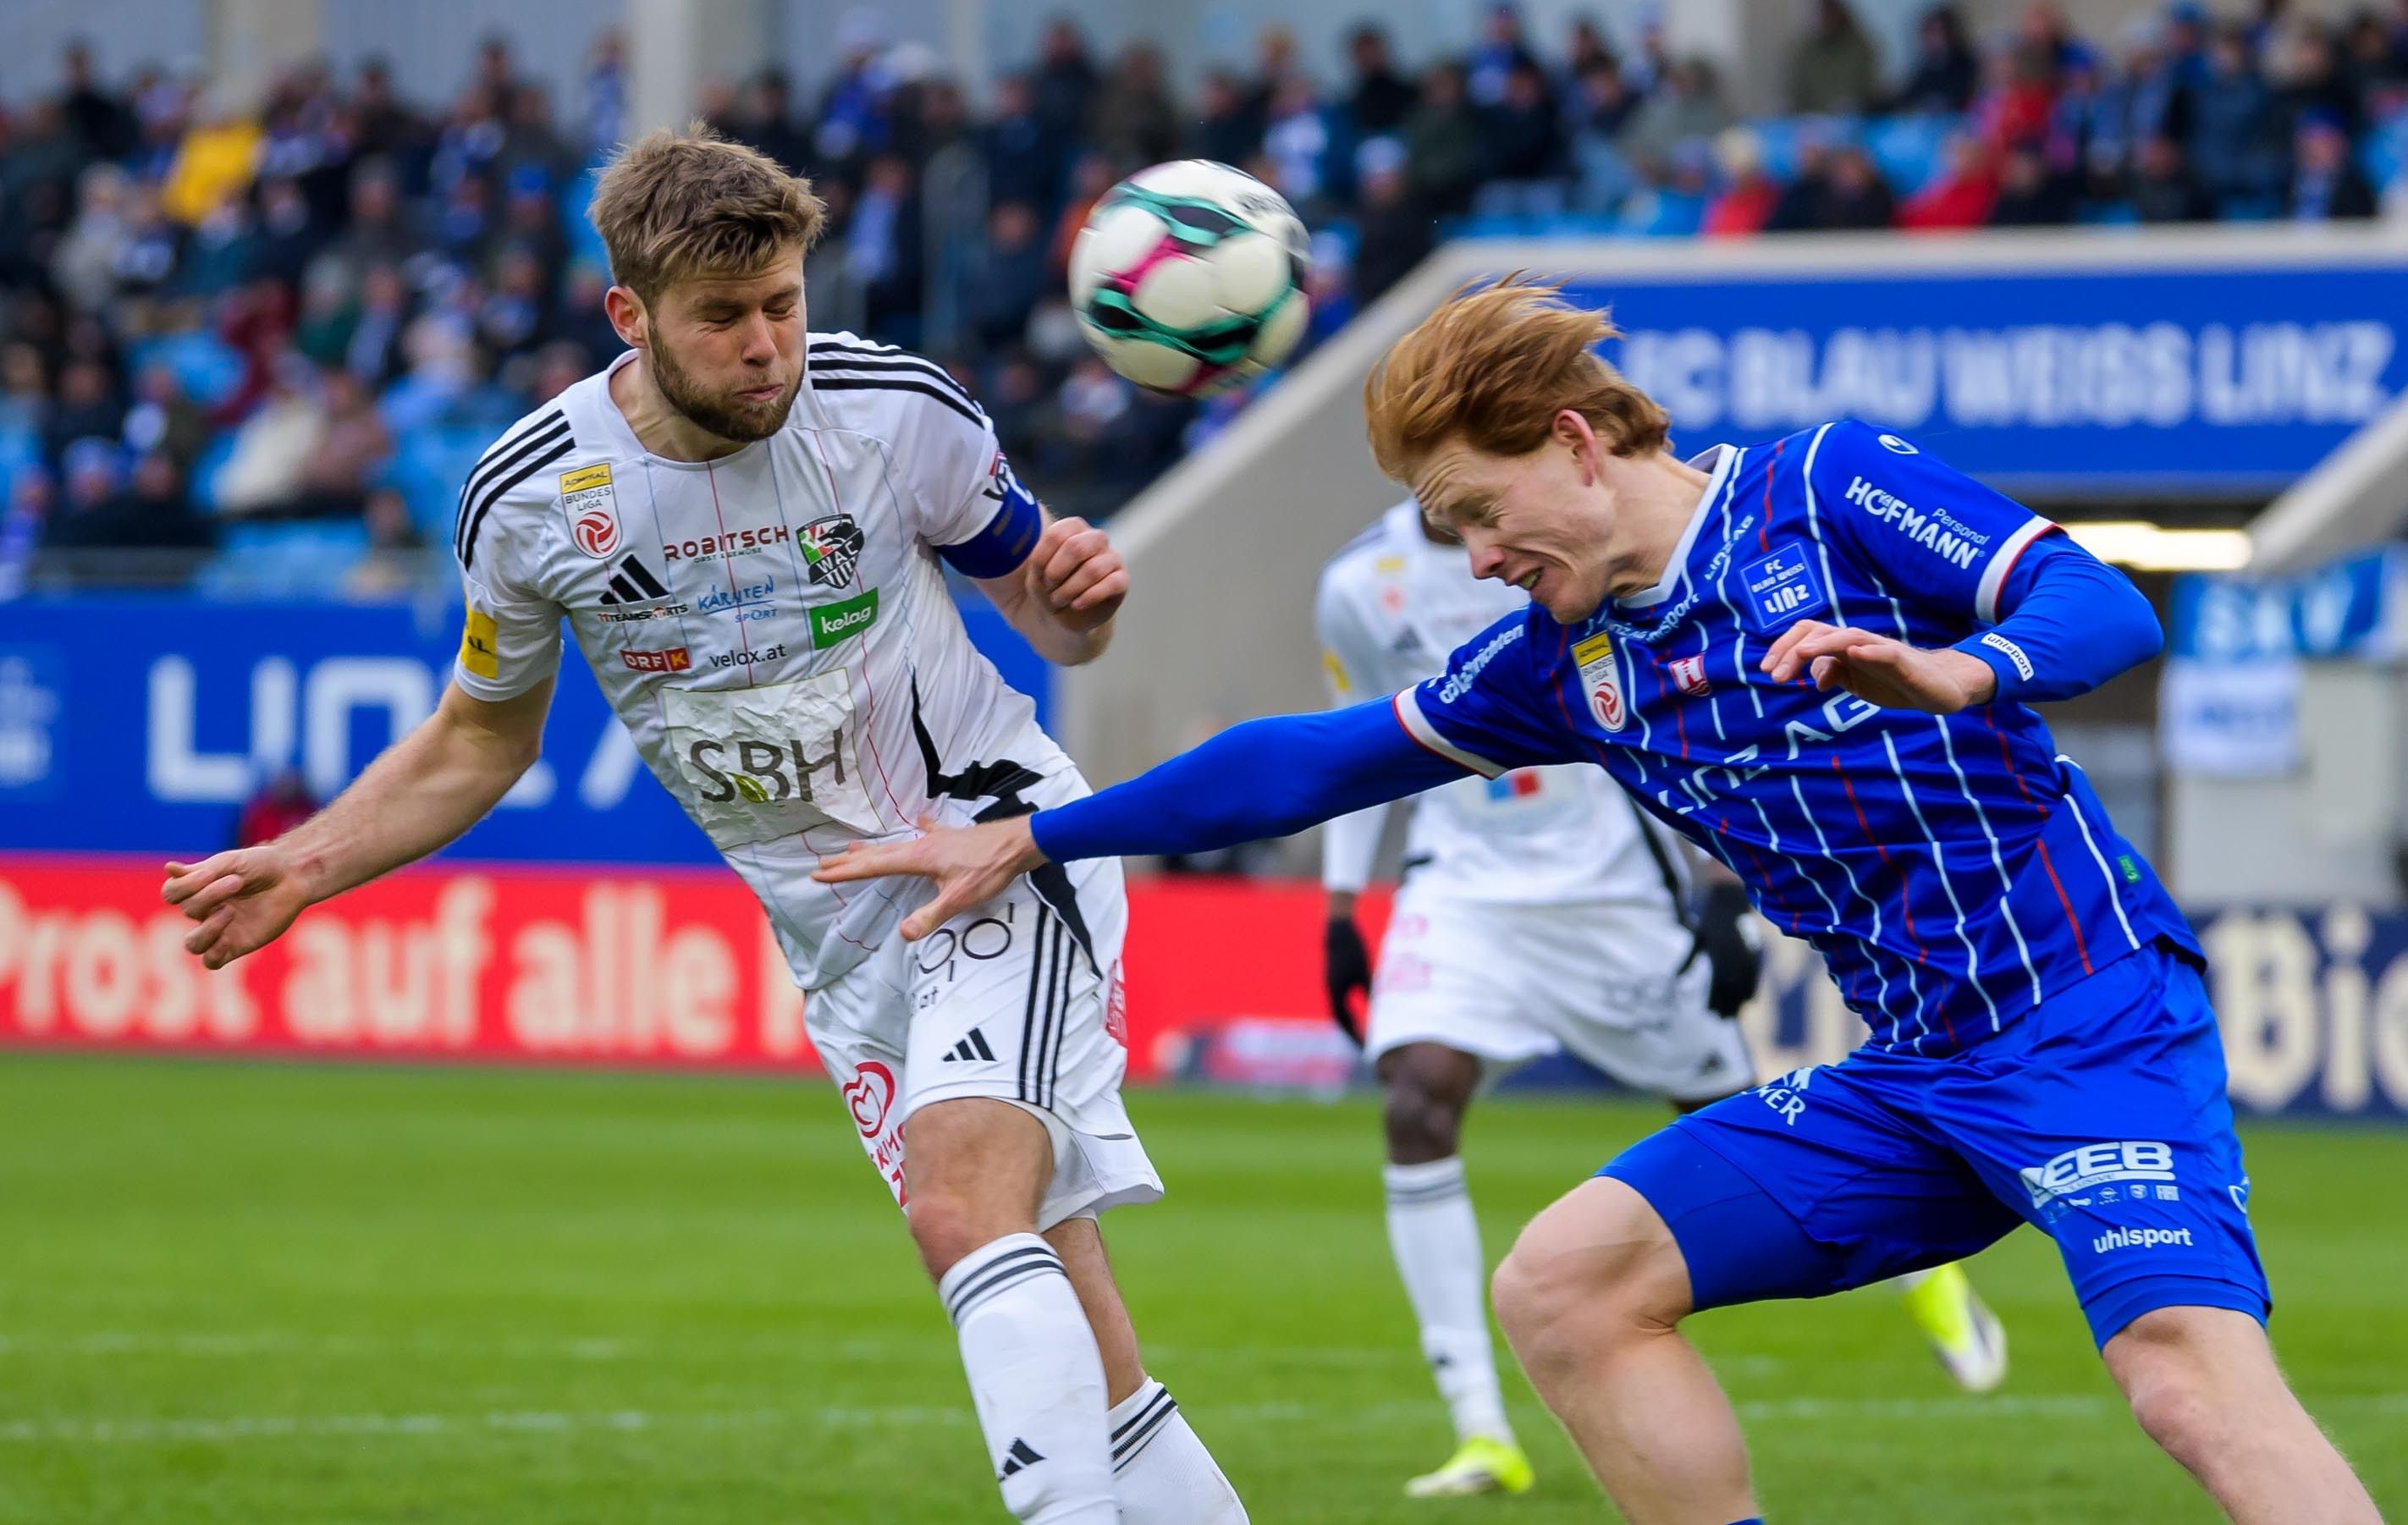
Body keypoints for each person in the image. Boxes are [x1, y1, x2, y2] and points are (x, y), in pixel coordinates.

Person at [815, 279, 2383, 1525]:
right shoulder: (1562, 667)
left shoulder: (1821, 491)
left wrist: (1958, 663)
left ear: (1575, 440)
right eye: (1451, 533)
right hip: (1911, 1074)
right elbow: (1307, 766)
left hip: (2083, 1021)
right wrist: (1041, 834)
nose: (1480, 558)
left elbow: (2101, 603)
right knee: (1565, 1288)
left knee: (2184, 1378)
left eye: (1482, 512)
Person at [161, 127, 1247, 1525]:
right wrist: (305, 862)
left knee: (960, 1210)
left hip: (993, 844)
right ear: (632, 314)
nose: (767, 347)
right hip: (842, 944)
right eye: (723, 317)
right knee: (1088, 1353)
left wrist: (1075, 604)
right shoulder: (537, 496)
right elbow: (481, 738)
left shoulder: (896, 410)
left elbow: (1041, 609)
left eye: (782, 305)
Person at [1314, 498, 2006, 1499]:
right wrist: (1342, 907)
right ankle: (1479, 1427)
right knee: (1416, 1096)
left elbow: (1678, 720)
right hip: (1461, 887)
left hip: (1615, 896)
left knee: (1733, 1115)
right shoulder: (1353, 586)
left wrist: (1719, 899)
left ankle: (1921, 1271)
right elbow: (1356, 741)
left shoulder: (1568, 552)